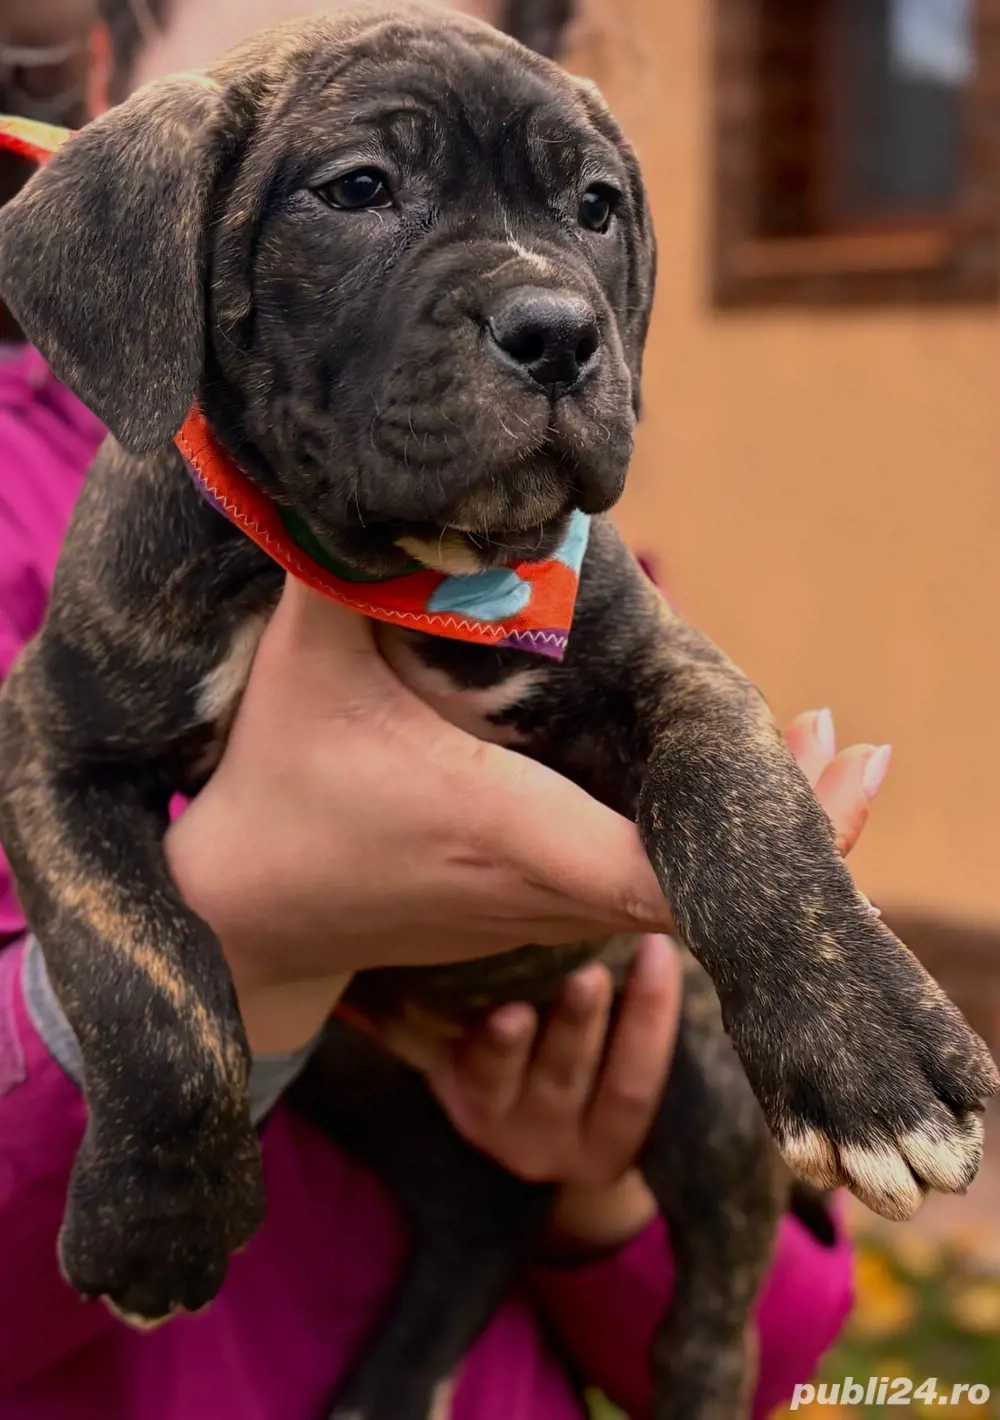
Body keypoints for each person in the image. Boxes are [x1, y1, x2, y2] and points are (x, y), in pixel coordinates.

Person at [0, 2, 886, 1415]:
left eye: (580, 207)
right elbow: (55, 766)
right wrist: (252, 947)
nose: (545, 299)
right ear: (121, 111)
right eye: (364, 184)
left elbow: (787, 1339)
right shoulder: (44, 533)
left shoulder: (550, 576)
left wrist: (601, 1185)